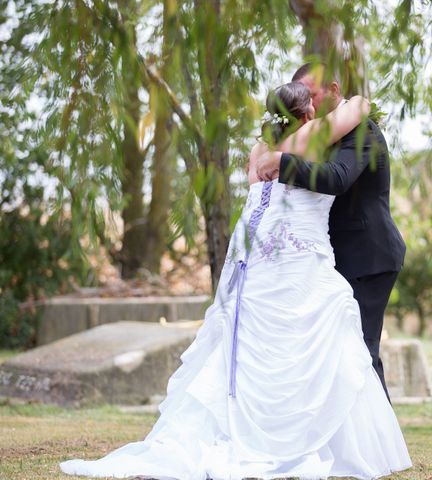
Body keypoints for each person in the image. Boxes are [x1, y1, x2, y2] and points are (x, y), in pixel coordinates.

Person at [59, 81, 412, 480]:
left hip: (288, 265)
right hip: (298, 265)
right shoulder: (311, 139)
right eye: (312, 103)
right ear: (309, 114)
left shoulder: (261, 153)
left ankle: (302, 437)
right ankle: (319, 444)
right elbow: (337, 157)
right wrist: (356, 104)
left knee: (321, 350)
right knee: (338, 351)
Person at [256, 62, 407, 399]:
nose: (307, 106)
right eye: (302, 100)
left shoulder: (361, 131)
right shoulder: (316, 134)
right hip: (329, 257)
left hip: (368, 255)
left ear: (335, 91)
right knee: (332, 353)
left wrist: (282, 164)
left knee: (360, 351)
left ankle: (380, 447)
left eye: (312, 95)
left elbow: (338, 179)